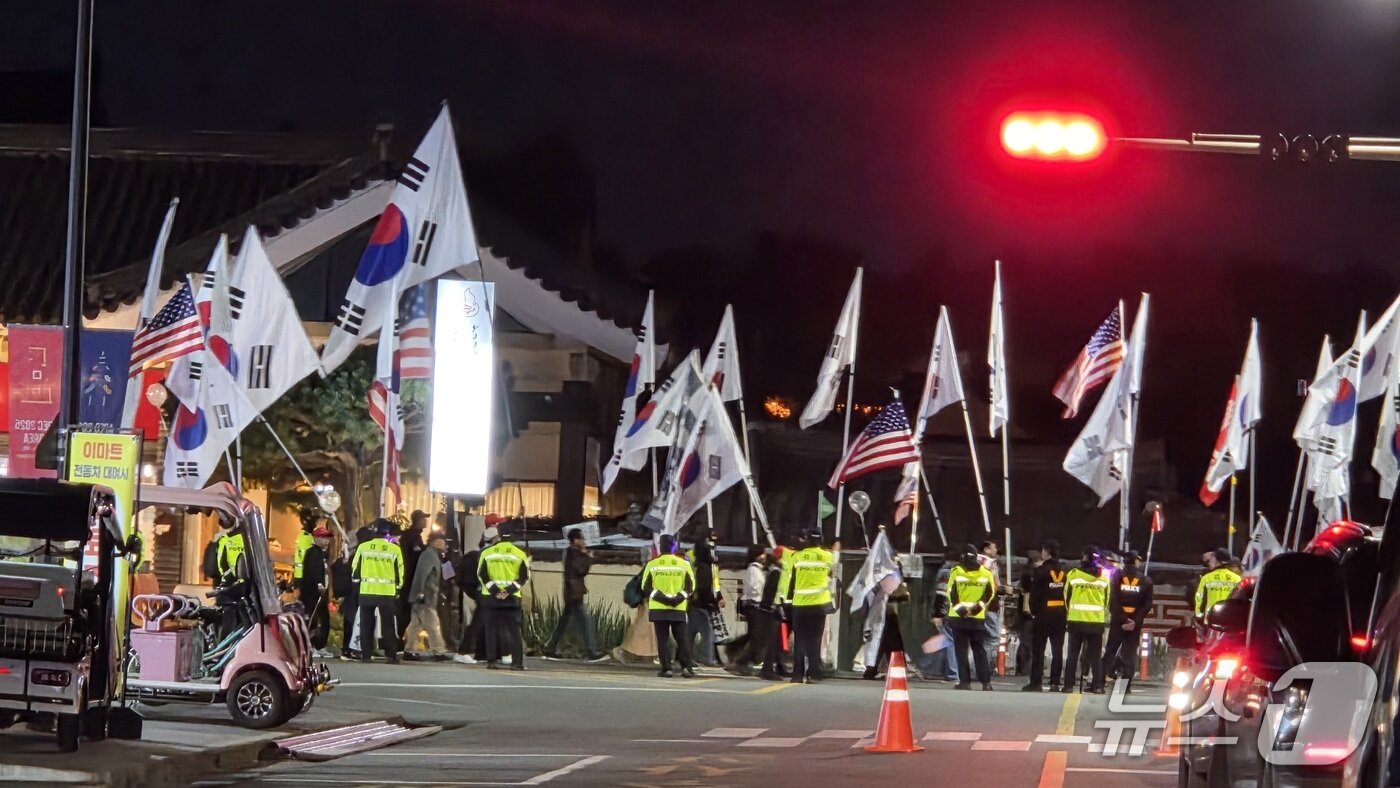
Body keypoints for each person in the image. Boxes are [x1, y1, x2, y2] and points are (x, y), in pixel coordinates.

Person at [544, 528, 605, 661]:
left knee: (564, 621)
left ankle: (550, 647)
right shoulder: (573, 553)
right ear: (575, 540)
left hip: (572, 591)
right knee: (585, 622)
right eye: (581, 538)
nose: (583, 541)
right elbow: (581, 569)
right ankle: (591, 651)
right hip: (574, 592)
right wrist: (588, 557)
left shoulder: (570, 552)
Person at [642, 533, 697, 678]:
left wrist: (662, 598)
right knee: (682, 639)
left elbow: (645, 587)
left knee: (662, 640)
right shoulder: (684, 564)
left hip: (658, 608)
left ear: (660, 546)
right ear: (674, 546)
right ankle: (686, 668)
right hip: (678, 607)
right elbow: (691, 587)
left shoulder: (652, 564)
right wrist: (677, 598)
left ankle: (666, 669)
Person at [477, 526, 531, 670]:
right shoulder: (519, 554)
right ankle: (517, 663)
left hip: (491, 598)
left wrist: (495, 590)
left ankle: (492, 661)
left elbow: (482, 575)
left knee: (491, 630)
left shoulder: (487, 553)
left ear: (499, 536)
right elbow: (524, 577)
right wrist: (508, 590)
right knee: (514, 632)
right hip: (512, 599)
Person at [351, 519, 405, 663]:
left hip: (366, 591)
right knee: (388, 625)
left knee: (366, 624)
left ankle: (366, 655)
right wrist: (398, 588)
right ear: (387, 532)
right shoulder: (394, 549)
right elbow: (400, 571)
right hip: (387, 593)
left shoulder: (363, 547)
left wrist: (356, 586)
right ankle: (391, 655)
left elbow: (355, 569)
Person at [943, 544, 996, 690]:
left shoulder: (956, 571)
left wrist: (962, 611)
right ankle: (986, 683)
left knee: (961, 651)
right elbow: (989, 594)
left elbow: (951, 593)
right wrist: (977, 609)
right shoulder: (985, 573)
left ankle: (965, 682)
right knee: (979, 650)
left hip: (958, 618)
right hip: (977, 618)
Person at [786, 529, 835, 684]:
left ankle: (797, 675)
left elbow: (791, 580)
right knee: (815, 639)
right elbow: (832, 573)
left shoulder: (797, 557)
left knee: (800, 639)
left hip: (800, 604)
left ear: (807, 540)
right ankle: (814, 674)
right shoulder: (828, 556)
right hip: (819, 604)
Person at [1102, 549, 1153, 688]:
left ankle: (1100, 682)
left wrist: (1123, 619)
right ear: (1136, 561)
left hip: (1118, 621)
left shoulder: (1115, 578)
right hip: (1135, 623)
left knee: (1110, 651)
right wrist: (1134, 620)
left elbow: (1113, 601)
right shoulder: (1146, 581)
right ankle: (1125, 686)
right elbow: (1147, 604)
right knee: (1129, 654)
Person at [1063, 547, 1109, 694]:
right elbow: (1107, 601)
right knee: (1095, 656)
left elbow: (1066, 597)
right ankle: (1097, 686)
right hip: (1096, 622)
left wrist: (1071, 612)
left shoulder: (1073, 574)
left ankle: (1068, 685)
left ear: (1084, 557)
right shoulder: (1104, 577)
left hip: (1076, 620)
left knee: (1073, 654)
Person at [1024, 540, 1068, 692]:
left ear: (1046, 551)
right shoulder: (1065, 571)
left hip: (1043, 615)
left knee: (1038, 650)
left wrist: (1033, 611)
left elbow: (1034, 595)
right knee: (1057, 650)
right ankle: (1055, 683)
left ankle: (1036, 682)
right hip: (1060, 614)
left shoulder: (1040, 571)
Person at [725, 545, 770, 675]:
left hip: (754, 603)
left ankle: (735, 652)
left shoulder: (758, 569)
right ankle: (741, 661)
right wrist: (763, 592)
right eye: (762, 554)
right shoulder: (753, 569)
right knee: (757, 636)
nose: (764, 556)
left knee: (752, 634)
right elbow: (754, 587)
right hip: (753, 604)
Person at [403, 534, 450, 659]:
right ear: (437, 542)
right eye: (444, 542)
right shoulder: (429, 555)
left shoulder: (434, 556)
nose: (446, 545)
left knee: (415, 624)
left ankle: (409, 649)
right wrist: (420, 593)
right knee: (433, 624)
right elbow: (421, 574)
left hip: (425, 597)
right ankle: (438, 650)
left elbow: (446, 575)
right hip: (426, 597)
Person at [687, 531, 724, 667]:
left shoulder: (700, 563)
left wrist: (718, 596)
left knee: (690, 632)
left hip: (694, 601)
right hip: (702, 603)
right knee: (707, 632)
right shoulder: (705, 565)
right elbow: (704, 586)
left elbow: (714, 582)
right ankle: (706, 658)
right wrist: (712, 601)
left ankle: (685, 657)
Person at [333, 527, 371, 660]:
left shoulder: (358, 554)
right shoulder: (358, 554)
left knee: (353, 620)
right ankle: (350, 648)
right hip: (355, 594)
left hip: (355, 593)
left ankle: (351, 648)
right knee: (353, 620)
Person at [299, 526, 333, 658]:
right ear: (316, 538)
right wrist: (319, 585)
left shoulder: (321, 553)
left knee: (323, 619)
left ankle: (319, 646)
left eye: (328, 538)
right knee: (314, 619)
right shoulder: (314, 552)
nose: (326, 541)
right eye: (323, 538)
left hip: (320, 593)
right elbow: (313, 571)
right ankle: (312, 646)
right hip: (313, 593)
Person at [452, 538, 484, 664]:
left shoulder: (473, 556)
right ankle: (464, 651)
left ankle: (481, 652)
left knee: (482, 622)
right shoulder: (483, 556)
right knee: (478, 622)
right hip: (482, 593)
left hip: (475, 591)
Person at [398, 511, 429, 640]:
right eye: (423, 518)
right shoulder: (412, 536)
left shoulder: (414, 536)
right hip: (410, 579)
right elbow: (416, 555)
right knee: (406, 611)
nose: (425, 521)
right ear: (417, 520)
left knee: (409, 612)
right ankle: (398, 639)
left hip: (410, 579)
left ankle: (402, 639)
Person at [1016, 547, 1044, 675]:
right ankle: (1027, 668)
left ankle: (1023, 668)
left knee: (1025, 641)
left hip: (1025, 612)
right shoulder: (1031, 575)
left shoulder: (1026, 573)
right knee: (1029, 642)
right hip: (1029, 612)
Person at [1195, 548, 1242, 619]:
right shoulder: (1237, 578)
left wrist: (1198, 616)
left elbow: (1199, 598)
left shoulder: (1206, 578)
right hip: (1230, 618)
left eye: (1213, 558)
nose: (1209, 562)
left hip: (1210, 618)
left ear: (1217, 560)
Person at [977, 540, 1002, 666]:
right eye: (994, 548)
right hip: (989, 606)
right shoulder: (989, 563)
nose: (996, 550)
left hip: (974, 606)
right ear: (986, 549)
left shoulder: (972, 562)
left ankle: (975, 668)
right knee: (992, 638)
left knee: (978, 639)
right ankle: (983, 668)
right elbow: (995, 585)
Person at [293, 506, 319, 586]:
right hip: (304, 577)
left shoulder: (306, 536)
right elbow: (307, 557)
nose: (315, 524)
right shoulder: (306, 537)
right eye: (313, 521)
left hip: (302, 576)